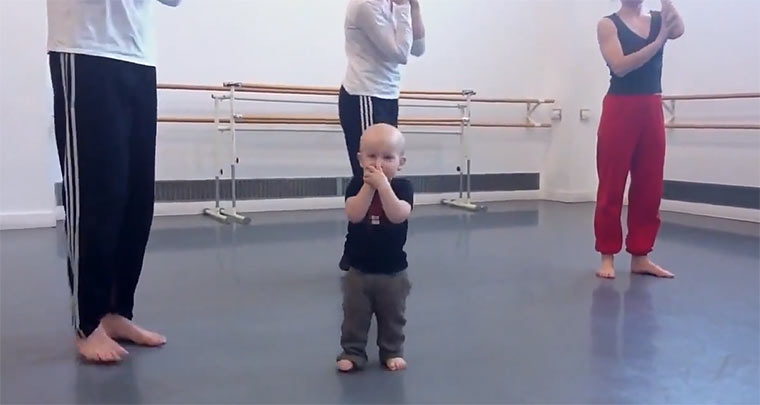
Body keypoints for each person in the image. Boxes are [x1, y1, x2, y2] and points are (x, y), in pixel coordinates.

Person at [47, 0, 181, 363]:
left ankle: (116, 310)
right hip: (85, 48)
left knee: (136, 199)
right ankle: (88, 321)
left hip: (138, 55)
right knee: (97, 195)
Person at [594, 0, 684, 279]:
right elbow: (620, 66)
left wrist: (666, 4)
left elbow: (678, 30)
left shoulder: (659, 18)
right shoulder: (608, 24)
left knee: (649, 184)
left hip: (651, 106)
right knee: (611, 183)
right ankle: (607, 256)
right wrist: (658, 41)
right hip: (620, 107)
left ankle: (640, 256)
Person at [338, 0, 425, 271]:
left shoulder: (391, 4)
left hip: (386, 95)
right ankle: (358, 248)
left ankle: (382, 245)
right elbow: (400, 53)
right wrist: (402, 7)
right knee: (370, 175)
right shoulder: (365, 5)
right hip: (365, 94)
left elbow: (418, 49)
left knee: (385, 172)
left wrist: (414, 8)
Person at [336, 124, 414, 372]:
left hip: (393, 271)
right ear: (360, 159)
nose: (378, 164)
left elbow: (398, 214)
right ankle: (352, 352)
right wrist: (369, 186)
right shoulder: (355, 185)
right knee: (354, 315)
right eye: (371, 156)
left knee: (393, 315)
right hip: (359, 269)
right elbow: (354, 214)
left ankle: (392, 351)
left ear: (400, 162)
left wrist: (383, 186)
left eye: (387, 157)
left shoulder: (403, 188)